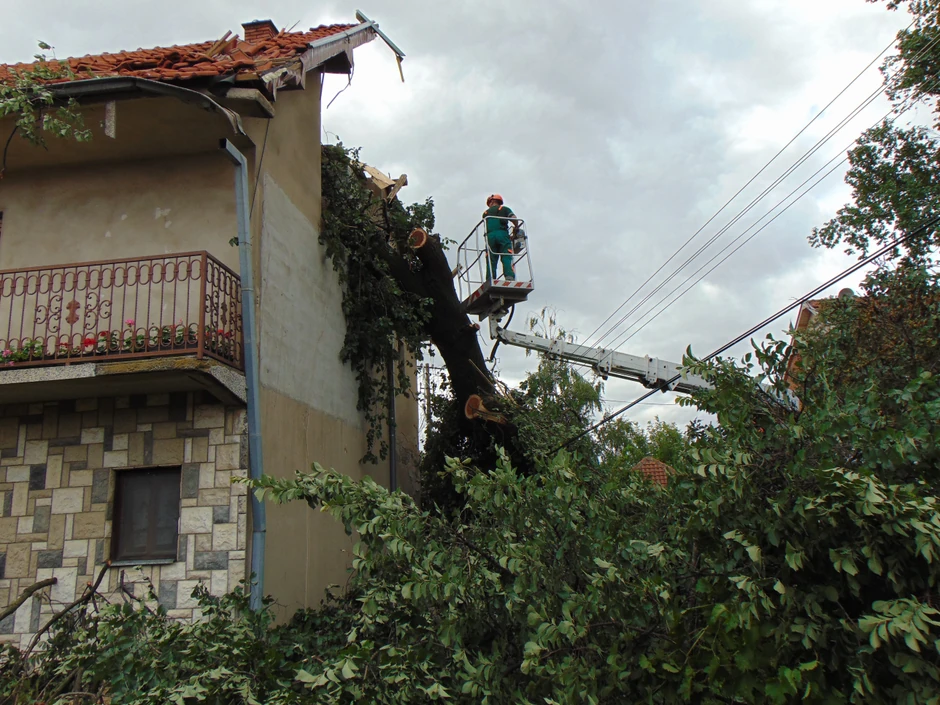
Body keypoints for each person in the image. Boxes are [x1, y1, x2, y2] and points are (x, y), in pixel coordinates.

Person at [482, 193, 519, 281]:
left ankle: (490, 278)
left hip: (490, 237)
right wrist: (516, 228)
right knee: (506, 255)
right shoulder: (504, 209)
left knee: (491, 258)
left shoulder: (485, 213)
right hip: (502, 235)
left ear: (491, 202)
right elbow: (514, 219)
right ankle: (509, 276)